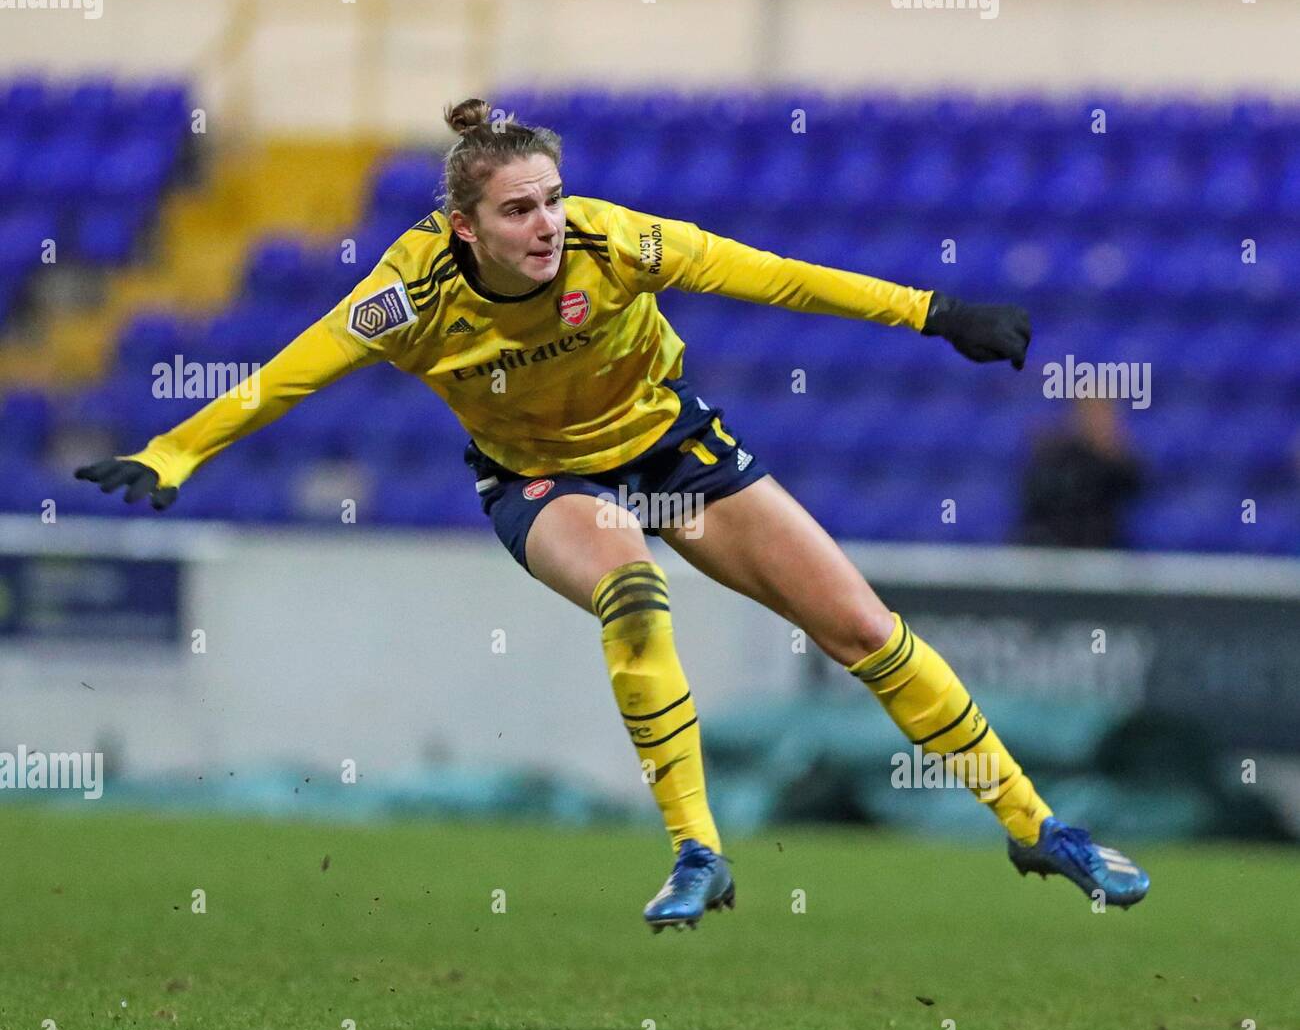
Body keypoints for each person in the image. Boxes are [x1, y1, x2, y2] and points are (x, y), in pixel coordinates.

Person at [76, 97, 1150, 930]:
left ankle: (1036, 826)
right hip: (542, 480)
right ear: (463, 228)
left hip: (675, 448)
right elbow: (289, 374)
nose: (546, 223)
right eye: (517, 209)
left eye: (550, 198)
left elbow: (771, 277)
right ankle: (697, 847)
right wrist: (174, 450)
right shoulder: (407, 293)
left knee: (863, 629)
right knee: (631, 588)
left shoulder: (614, 242)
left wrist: (933, 312)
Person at [1020, 399, 1143, 548]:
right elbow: (1037, 497)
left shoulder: (1119, 462)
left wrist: (1112, 453)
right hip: (1053, 548)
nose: (1098, 419)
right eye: (1092, 410)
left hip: (1100, 549)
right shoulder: (1054, 456)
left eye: (1103, 411)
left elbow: (1135, 487)